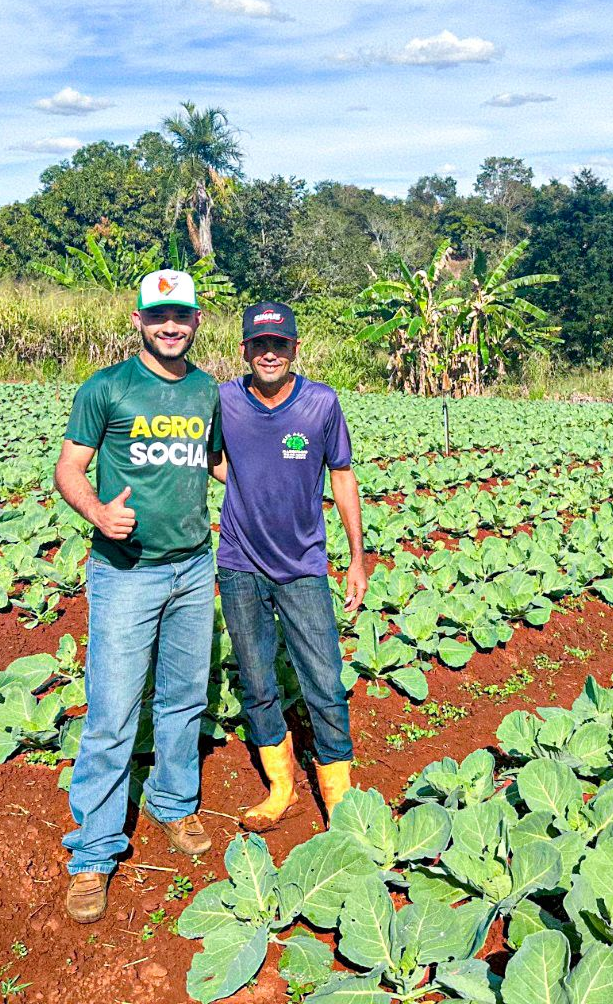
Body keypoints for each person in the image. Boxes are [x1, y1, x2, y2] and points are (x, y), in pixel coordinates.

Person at [52, 269, 223, 924]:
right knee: (114, 711)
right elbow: (70, 466)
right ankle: (93, 852)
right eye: (159, 316)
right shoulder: (108, 388)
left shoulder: (208, 391)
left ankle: (174, 804)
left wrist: (283, 470)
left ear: (196, 321)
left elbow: (216, 463)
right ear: (138, 321)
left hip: (190, 568)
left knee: (184, 698)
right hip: (126, 573)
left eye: (181, 315)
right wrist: (97, 511)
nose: (170, 326)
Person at [212, 300, 368, 832]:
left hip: (303, 566)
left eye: (279, 344)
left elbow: (342, 476)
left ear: (295, 348)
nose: (269, 353)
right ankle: (281, 786)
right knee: (256, 679)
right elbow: (213, 458)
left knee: (323, 677)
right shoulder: (225, 400)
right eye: (260, 344)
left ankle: (339, 797)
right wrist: (244, 485)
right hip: (239, 563)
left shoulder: (321, 404)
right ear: (245, 349)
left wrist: (357, 558)